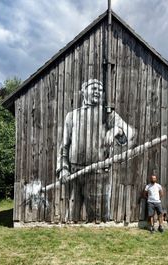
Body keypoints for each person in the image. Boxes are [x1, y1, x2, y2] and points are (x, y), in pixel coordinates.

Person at [56, 78, 135, 222]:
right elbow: (64, 147)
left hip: (98, 175)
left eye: (100, 89)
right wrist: (63, 169)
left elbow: (129, 133)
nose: (98, 91)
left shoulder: (108, 114)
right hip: (74, 174)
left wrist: (117, 130)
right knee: (71, 217)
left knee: (98, 219)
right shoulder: (72, 116)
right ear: (83, 91)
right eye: (94, 88)